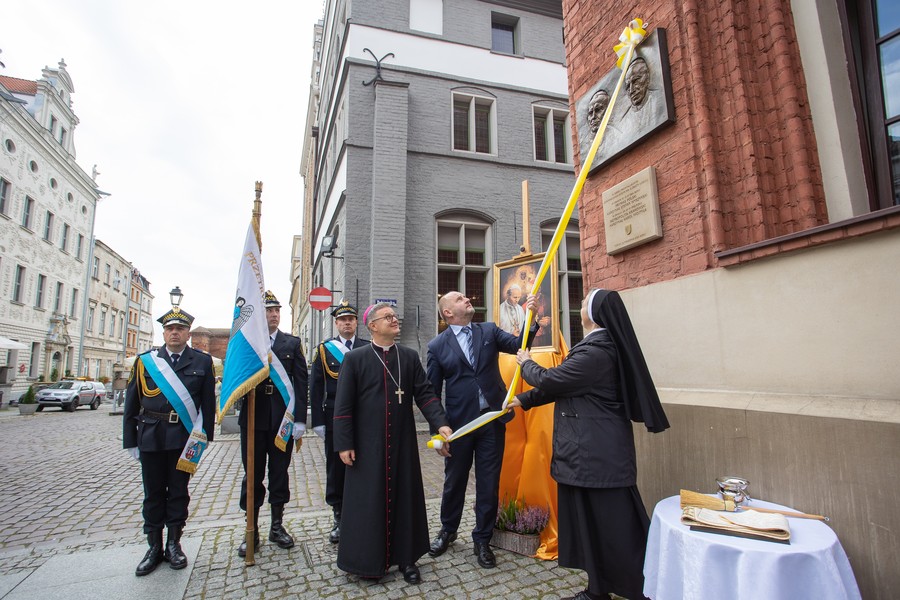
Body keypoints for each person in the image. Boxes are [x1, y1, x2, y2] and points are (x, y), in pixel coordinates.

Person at [508, 289, 670, 600]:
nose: (579, 305)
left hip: (596, 455)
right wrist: (523, 400)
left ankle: (644, 591)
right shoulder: (596, 347)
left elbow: (553, 380)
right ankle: (597, 590)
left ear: (593, 315)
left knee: (617, 532)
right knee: (592, 529)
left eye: (584, 303)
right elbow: (568, 386)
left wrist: (526, 363)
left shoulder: (597, 352)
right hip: (588, 454)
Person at [333, 303, 453, 584]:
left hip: (402, 443)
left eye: (395, 316)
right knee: (368, 502)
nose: (394, 319)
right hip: (367, 444)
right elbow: (343, 405)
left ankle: (407, 559)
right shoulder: (355, 359)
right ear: (372, 326)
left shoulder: (408, 357)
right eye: (387, 317)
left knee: (405, 499)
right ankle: (367, 561)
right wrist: (344, 443)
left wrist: (441, 423)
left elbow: (426, 394)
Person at [426, 291, 538, 569]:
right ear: (447, 312)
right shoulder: (437, 346)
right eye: (459, 298)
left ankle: (482, 540)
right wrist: (438, 433)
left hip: (492, 420)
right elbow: (431, 393)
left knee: (489, 482)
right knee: (454, 481)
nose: (466, 298)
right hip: (459, 427)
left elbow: (518, 345)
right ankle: (448, 530)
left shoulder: (488, 330)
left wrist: (531, 318)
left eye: (465, 296)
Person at [123, 306, 216, 577]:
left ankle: (174, 543)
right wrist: (131, 440)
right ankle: (154, 547)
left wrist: (203, 438)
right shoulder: (146, 362)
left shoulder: (202, 362)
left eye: (180, 329)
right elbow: (132, 404)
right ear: (163, 333)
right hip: (151, 436)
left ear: (188, 333)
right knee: (152, 492)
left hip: (183, 439)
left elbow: (207, 405)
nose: (175, 333)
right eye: (170, 329)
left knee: (178, 491)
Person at [236, 290, 308, 557]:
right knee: (252, 475)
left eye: (277, 310)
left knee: (279, 473)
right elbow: (237, 376)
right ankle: (251, 529)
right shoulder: (248, 342)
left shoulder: (292, 343)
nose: (274, 314)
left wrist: (300, 420)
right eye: (268, 310)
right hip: (253, 419)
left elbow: (301, 382)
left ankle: (276, 526)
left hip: (282, 420)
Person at [310, 299, 369, 544]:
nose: (347, 323)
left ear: (356, 323)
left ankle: (362, 512)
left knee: (363, 463)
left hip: (363, 416)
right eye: (342, 320)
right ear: (336, 323)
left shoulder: (368, 347)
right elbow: (316, 387)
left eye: (351, 319)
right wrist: (318, 421)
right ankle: (339, 515)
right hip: (335, 416)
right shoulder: (324, 350)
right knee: (336, 467)